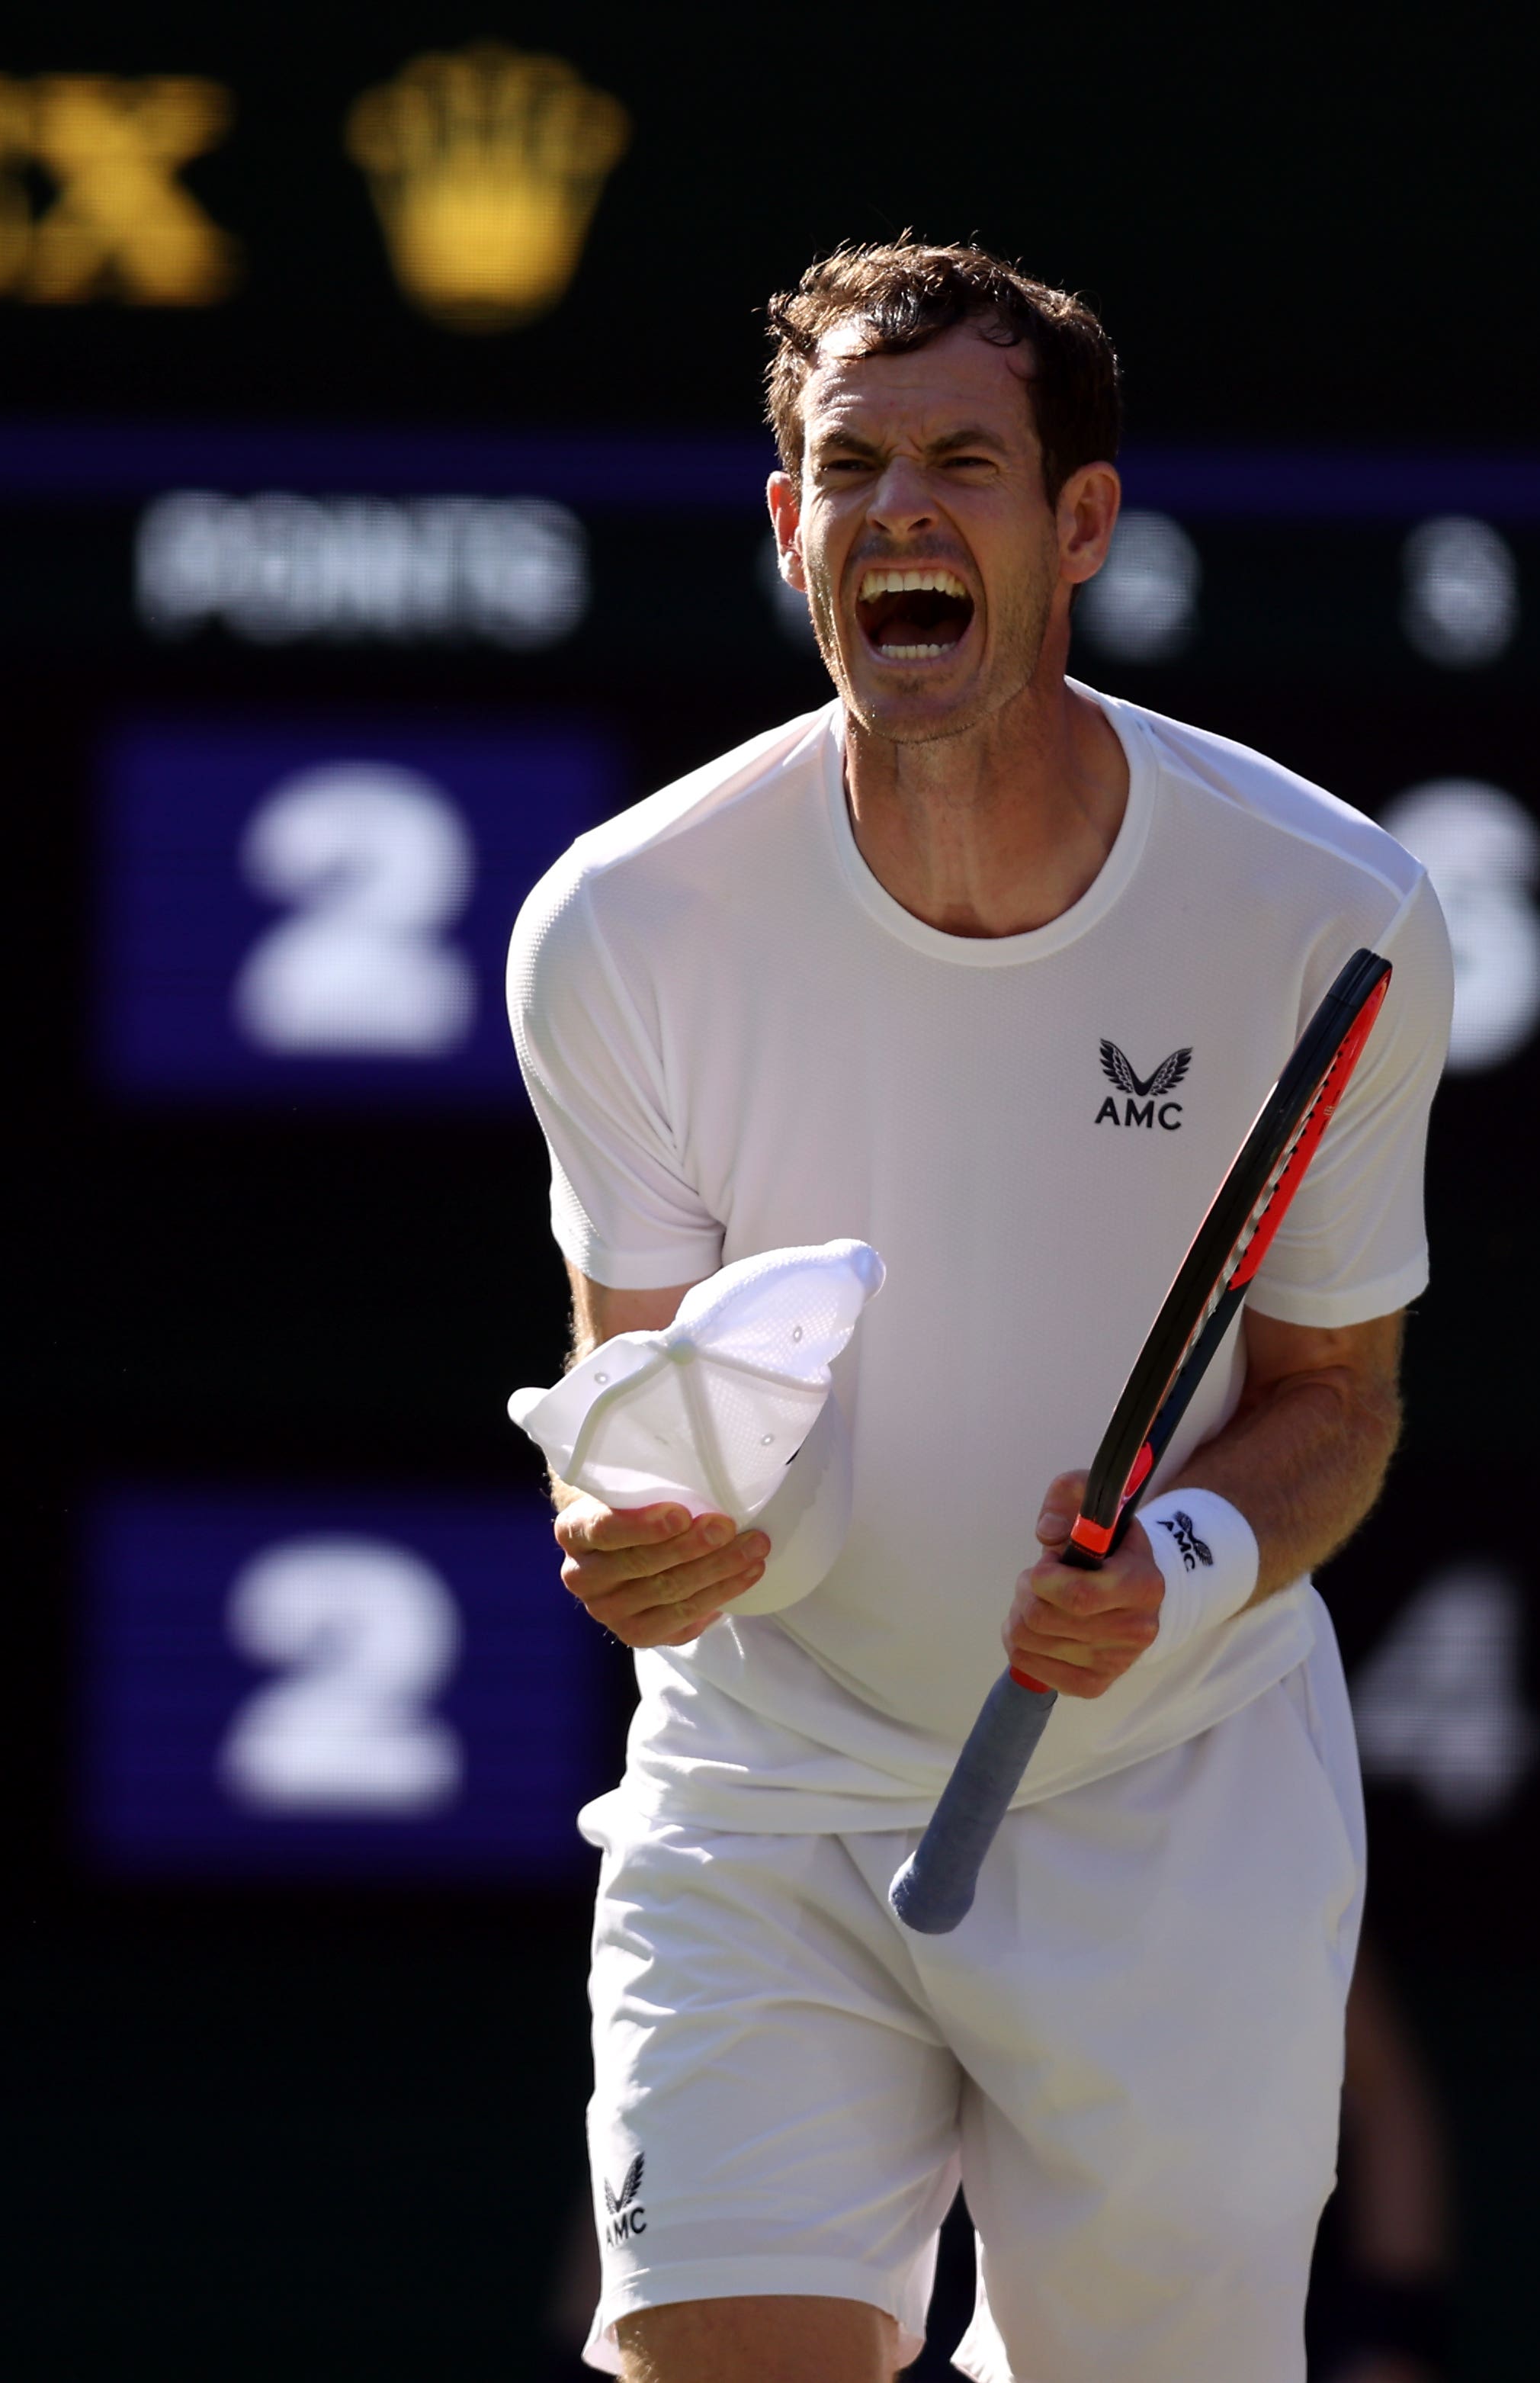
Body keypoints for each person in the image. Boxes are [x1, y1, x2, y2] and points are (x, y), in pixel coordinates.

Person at [506, 240, 1452, 2383]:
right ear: (790, 529)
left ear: (1081, 526)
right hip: (771, 1780)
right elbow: (642, 1410)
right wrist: (645, 1540)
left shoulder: (1329, 916)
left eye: (963, 463)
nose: (902, 513)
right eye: (851, 468)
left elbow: (1335, 1404)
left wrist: (1177, 1565)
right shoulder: (622, 928)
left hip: (1172, 1804)